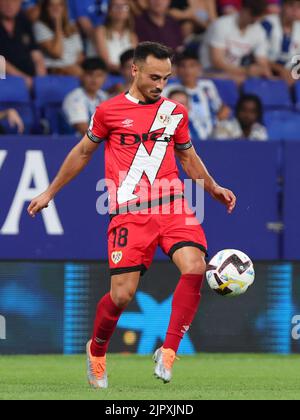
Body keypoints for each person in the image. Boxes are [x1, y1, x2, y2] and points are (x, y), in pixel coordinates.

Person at [28, 42, 236, 388]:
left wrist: (212, 187)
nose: (160, 84)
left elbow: (186, 157)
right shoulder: (108, 111)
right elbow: (82, 153)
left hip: (172, 206)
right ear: (134, 70)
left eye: (166, 78)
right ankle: (96, 351)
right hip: (129, 212)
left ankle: (168, 351)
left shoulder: (176, 113)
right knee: (122, 295)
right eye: (155, 77)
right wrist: (50, 191)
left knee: (196, 266)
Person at [201, 0, 272, 84]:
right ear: (243, 9)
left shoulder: (259, 31)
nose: (254, 19)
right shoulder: (221, 25)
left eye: (258, 16)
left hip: (236, 72)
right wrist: (245, 71)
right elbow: (217, 61)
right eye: (253, 14)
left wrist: (266, 73)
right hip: (210, 71)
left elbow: (262, 61)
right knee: (239, 81)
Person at [164, 51, 231, 141]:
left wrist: (223, 111)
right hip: (185, 135)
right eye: (183, 66)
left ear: (199, 68)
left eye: (192, 66)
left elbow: (220, 108)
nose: (187, 71)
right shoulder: (169, 90)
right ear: (178, 69)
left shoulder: (208, 86)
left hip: (211, 132)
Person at [0, 0, 46, 89]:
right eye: (5, 2)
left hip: (31, 80)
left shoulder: (24, 21)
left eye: (14, 2)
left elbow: (36, 55)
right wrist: (24, 80)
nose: (10, 5)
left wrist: (40, 81)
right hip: (5, 81)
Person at [34, 0, 84, 77]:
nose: (56, 8)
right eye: (52, 5)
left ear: (64, 8)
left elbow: (80, 55)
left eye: (60, 5)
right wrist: (58, 23)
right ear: (46, 8)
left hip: (73, 68)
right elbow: (57, 53)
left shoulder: (72, 26)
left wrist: (73, 66)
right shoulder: (39, 26)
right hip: (54, 70)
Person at [62, 58, 108, 136]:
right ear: (82, 76)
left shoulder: (103, 96)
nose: (94, 80)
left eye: (99, 75)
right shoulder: (74, 98)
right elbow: (85, 131)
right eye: (90, 74)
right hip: (75, 143)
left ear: (105, 78)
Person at [261, 0, 300, 86]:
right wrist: (281, 70)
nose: (295, 10)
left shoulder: (299, 27)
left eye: (298, 7)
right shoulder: (268, 23)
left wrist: (294, 73)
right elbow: (258, 55)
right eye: (291, 5)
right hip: (265, 70)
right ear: (283, 6)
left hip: (289, 72)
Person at [95, 0, 137, 74]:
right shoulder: (100, 31)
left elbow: (135, 61)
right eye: (116, 6)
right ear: (109, 11)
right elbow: (106, 63)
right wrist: (126, 70)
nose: (120, 9)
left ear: (129, 12)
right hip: (109, 76)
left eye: (124, 7)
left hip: (129, 75)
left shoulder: (132, 35)